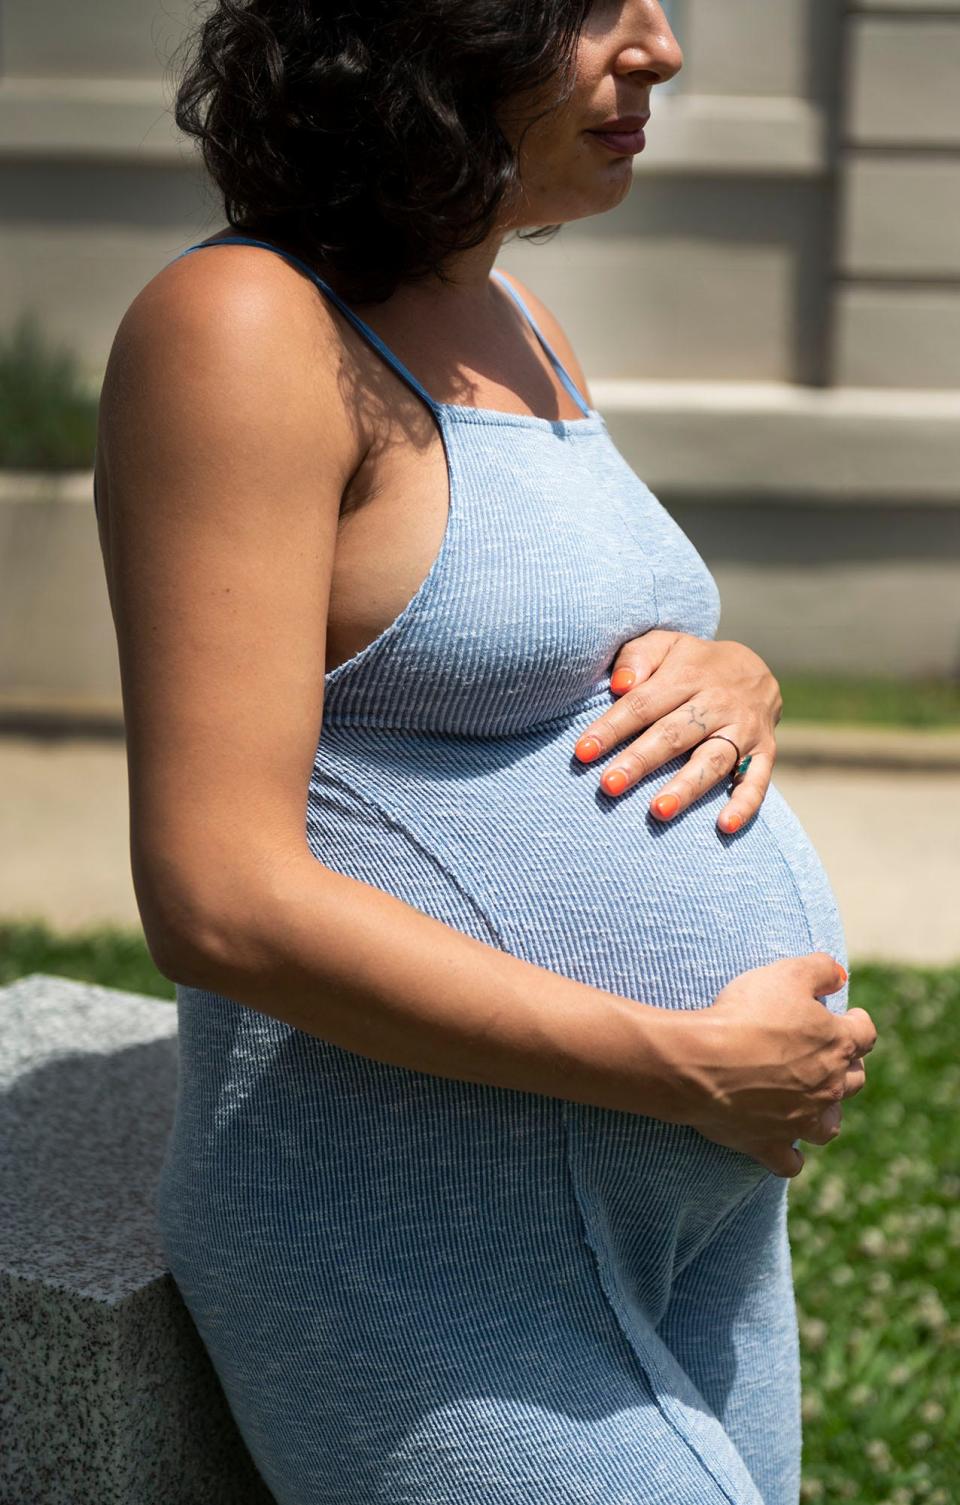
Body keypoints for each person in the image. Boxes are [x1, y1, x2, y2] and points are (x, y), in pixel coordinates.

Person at [92, 2, 877, 1501]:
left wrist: (734, 670)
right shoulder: (247, 328)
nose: (659, 48)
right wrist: (689, 1067)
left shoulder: (520, 324)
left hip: (691, 1227)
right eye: (594, 7)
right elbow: (217, 894)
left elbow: (550, 636)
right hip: (427, 1237)